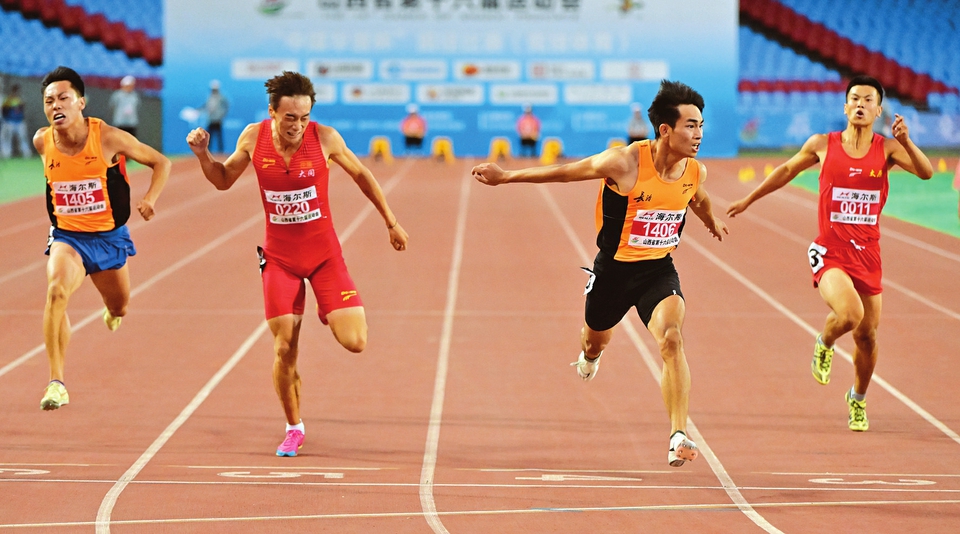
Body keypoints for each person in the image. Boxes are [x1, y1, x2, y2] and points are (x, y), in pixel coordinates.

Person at [473, 80, 728, 467]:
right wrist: (506, 176)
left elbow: (698, 198)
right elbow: (565, 172)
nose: (699, 134)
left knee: (672, 339)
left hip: (658, 270)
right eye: (690, 125)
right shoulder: (624, 163)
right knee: (594, 341)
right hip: (613, 272)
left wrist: (711, 221)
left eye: (701, 125)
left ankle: (678, 434)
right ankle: (590, 356)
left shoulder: (695, 170)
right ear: (665, 129)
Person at [186, 71, 409, 457]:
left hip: (324, 257)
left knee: (355, 342)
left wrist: (391, 221)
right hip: (279, 260)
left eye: (304, 117)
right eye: (290, 117)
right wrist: (204, 155)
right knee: (285, 347)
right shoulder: (253, 138)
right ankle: (294, 427)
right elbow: (222, 180)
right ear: (272, 112)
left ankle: (326, 307)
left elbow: (363, 176)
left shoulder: (325, 139)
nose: (298, 125)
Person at [726, 75, 933, 432]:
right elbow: (786, 170)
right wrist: (749, 199)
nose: (861, 105)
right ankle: (825, 341)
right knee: (850, 315)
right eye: (855, 99)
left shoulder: (887, 149)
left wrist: (907, 142)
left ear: (878, 110)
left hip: (868, 255)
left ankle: (858, 398)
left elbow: (926, 173)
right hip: (831, 250)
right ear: (845, 106)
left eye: (868, 100)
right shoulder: (823, 143)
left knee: (867, 337)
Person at [34, 66, 170, 410]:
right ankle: (56, 383)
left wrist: (150, 199)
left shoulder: (108, 137)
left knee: (119, 305)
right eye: (49, 101)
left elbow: (161, 162)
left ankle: (112, 312)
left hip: (108, 239)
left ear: (81, 102)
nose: (55, 105)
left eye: (63, 98)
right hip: (68, 237)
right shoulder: (42, 141)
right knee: (56, 291)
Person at [1, 84, 32, 158]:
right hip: (9, 121)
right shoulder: (8, 99)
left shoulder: (20, 99)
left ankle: (26, 153)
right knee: (7, 138)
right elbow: (4, 109)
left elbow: (23, 109)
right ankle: (6, 153)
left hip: (19, 121)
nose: (17, 92)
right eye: (15, 91)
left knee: (23, 138)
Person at [202, 79, 229, 153]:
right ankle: (208, 151)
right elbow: (206, 106)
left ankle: (221, 152)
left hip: (218, 120)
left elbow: (226, 106)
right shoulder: (210, 97)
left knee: (219, 136)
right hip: (210, 119)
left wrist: (222, 114)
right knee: (209, 136)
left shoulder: (221, 97)